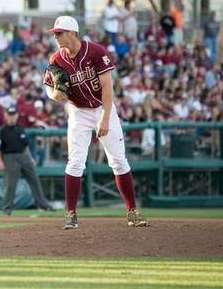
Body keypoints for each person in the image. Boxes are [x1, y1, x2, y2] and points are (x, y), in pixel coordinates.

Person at [43, 15, 149, 229]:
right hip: (78, 111)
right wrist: (55, 94)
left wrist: (105, 117)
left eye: (59, 33)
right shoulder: (56, 59)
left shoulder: (96, 51)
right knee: (75, 161)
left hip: (102, 106)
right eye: (55, 34)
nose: (56, 37)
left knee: (118, 160)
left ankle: (132, 211)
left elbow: (108, 87)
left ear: (72, 33)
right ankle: (70, 214)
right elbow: (49, 88)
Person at [0, 106, 54, 216]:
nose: (12, 117)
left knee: (34, 179)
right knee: (11, 184)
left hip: (24, 156)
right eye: (10, 115)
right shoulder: (2, 130)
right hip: (10, 157)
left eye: (13, 115)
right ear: (6, 116)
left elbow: (25, 145)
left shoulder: (21, 128)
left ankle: (43, 205)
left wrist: (30, 158)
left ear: (16, 115)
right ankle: (7, 208)